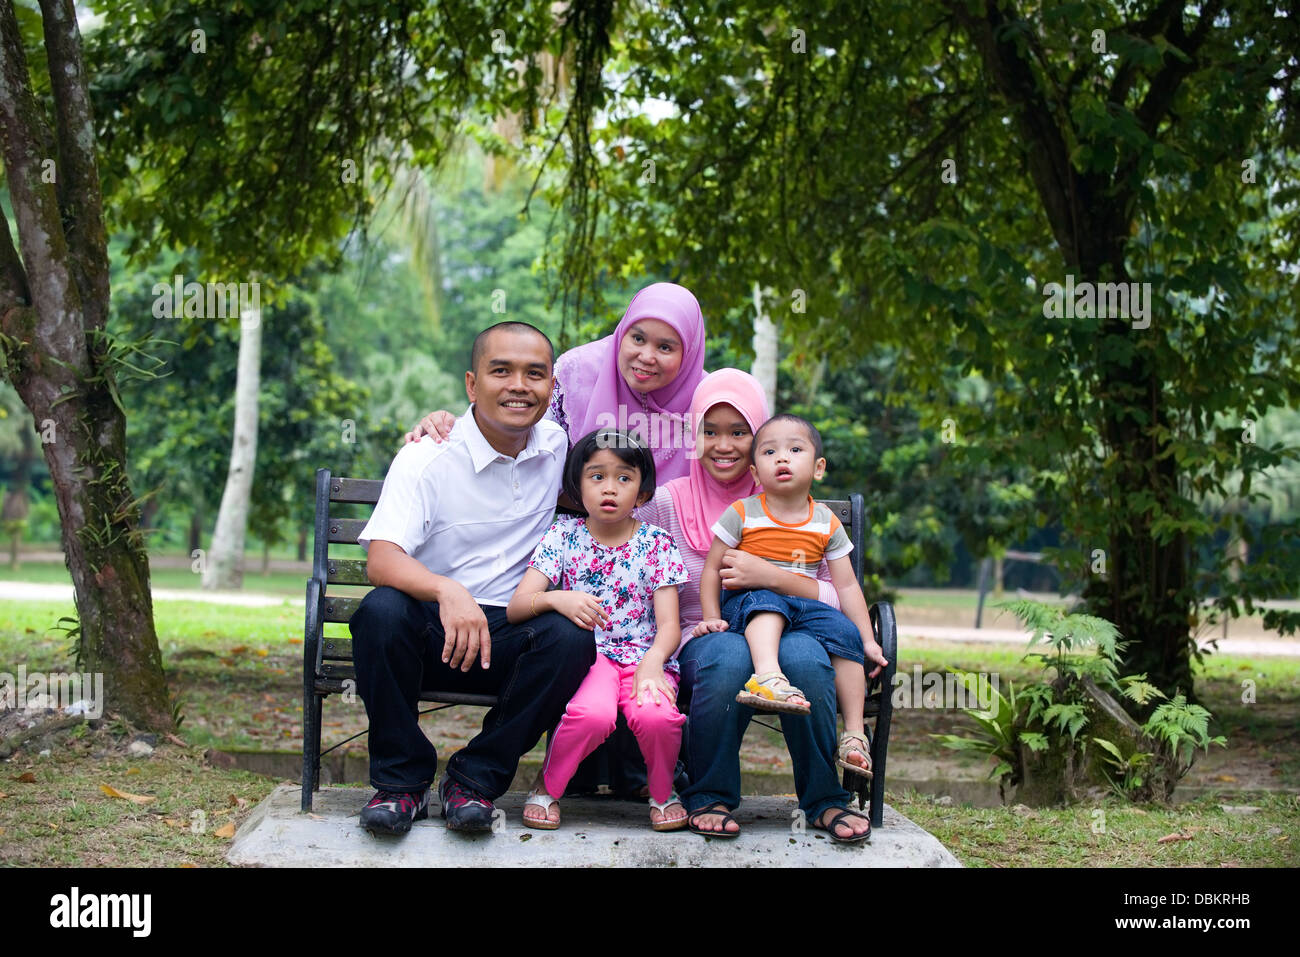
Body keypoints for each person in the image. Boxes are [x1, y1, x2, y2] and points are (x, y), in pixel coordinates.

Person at [349, 321, 596, 836]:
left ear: (552, 387)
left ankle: (474, 780)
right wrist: (447, 589)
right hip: (434, 633)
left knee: (571, 638)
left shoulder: (556, 446)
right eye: (500, 370)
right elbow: (382, 560)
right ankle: (400, 784)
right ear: (471, 383)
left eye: (535, 374)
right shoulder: (426, 456)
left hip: (510, 635)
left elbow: (625, 478)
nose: (518, 386)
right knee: (380, 611)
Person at [635, 369, 887, 843]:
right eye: (710, 432)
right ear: (695, 437)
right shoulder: (671, 501)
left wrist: (772, 577)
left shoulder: (785, 503)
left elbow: (838, 592)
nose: (724, 445)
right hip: (701, 632)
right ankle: (709, 793)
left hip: (794, 629)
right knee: (727, 657)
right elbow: (614, 529)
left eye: (739, 432)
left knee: (807, 661)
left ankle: (824, 799)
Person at [506, 429, 690, 830]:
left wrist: (654, 663)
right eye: (597, 476)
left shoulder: (657, 543)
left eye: (624, 478)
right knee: (591, 715)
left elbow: (670, 625)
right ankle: (548, 786)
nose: (610, 488)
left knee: (657, 716)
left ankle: (662, 792)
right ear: (577, 486)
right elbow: (518, 607)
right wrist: (557, 598)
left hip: (646, 656)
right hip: (590, 658)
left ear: (642, 492)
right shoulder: (563, 536)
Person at [693, 413, 882, 785]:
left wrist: (868, 639)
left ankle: (855, 734)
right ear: (754, 472)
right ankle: (768, 676)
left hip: (805, 609)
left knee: (843, 633)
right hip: (748, 601)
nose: (782, 458)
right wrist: (712, 615)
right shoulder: (743, 512)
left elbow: (846, 587)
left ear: (818, 467)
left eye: (795, 450)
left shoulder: (825, 520)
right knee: (768, 601)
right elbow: (712, 569)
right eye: (769, 452)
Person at [404, 282, 709, 482]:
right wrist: (451, 424)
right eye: (637, 338)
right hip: (577, 545)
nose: (646, 356)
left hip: (675, 554)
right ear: (622, 334)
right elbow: (518, 430)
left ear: (690, 353)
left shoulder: (709, 398)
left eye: (666, 347)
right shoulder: (578, 373)